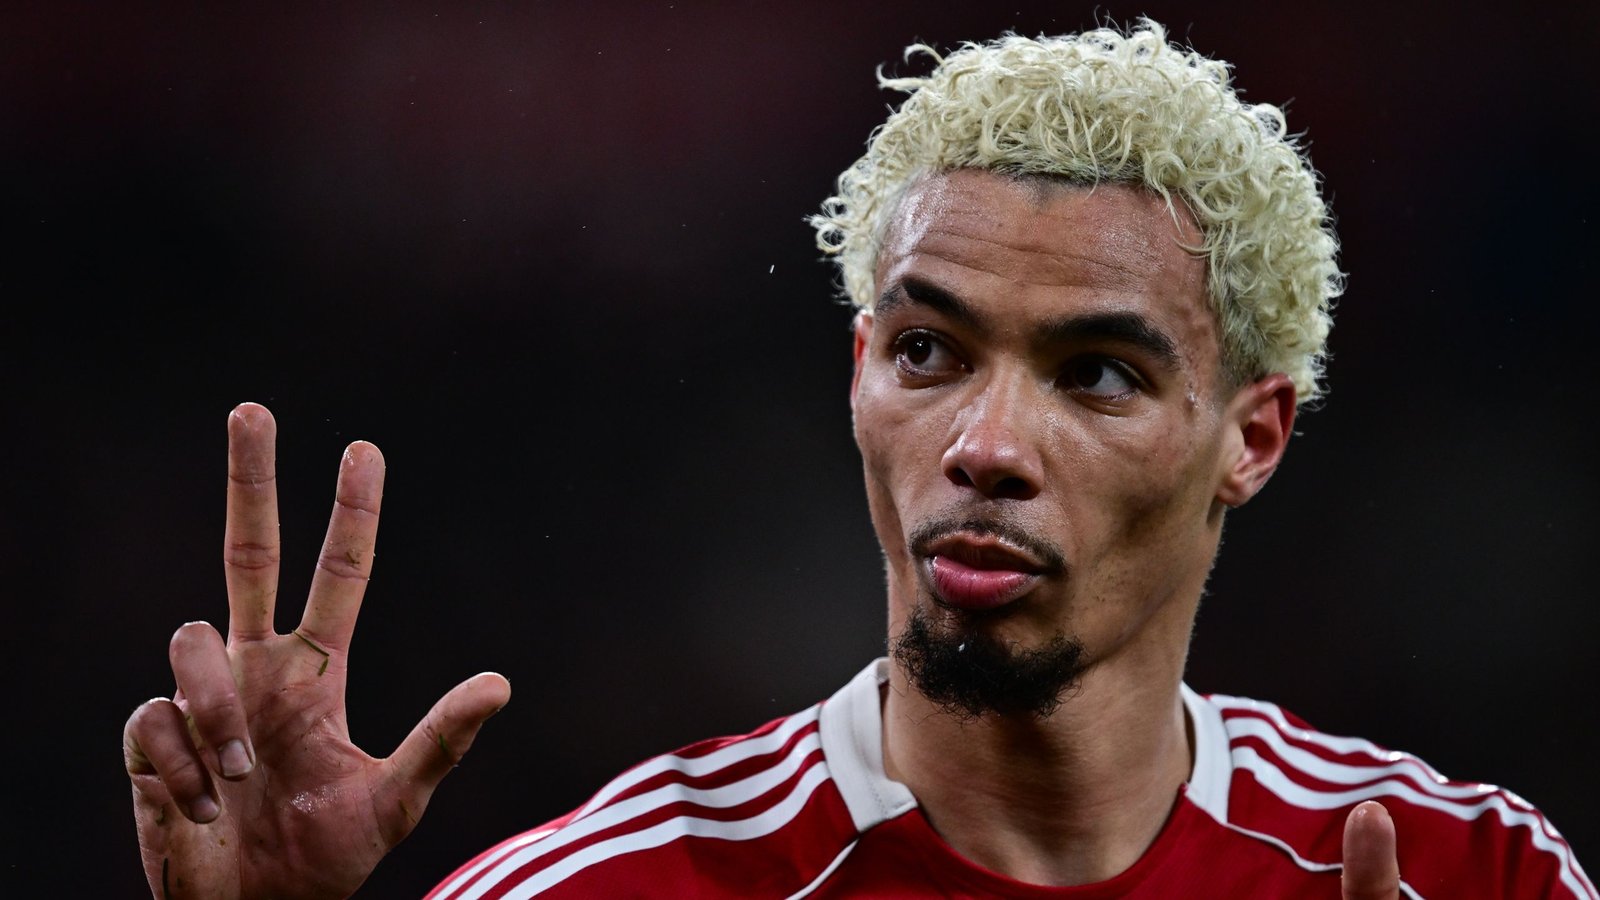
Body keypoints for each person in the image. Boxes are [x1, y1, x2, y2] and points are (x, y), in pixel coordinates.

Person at [122, 18, 1593, 899]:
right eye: (930, 352)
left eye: (1097, 372)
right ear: (858, 376)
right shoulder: (610, 891)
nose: (987, 447)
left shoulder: (1472, 872)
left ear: (1251, 439)